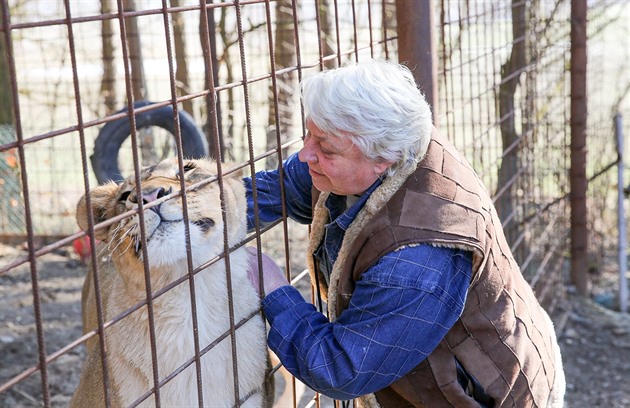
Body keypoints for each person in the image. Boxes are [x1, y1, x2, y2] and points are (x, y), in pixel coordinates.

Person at [244, 59, 565, 407]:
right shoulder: (383, 145)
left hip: (492, 393)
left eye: (325, 147)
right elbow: (281, 187)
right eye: (308, 134)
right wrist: (191, 207)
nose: (306, 153)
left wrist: (274, 289)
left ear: (383, 157)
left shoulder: (418, 258)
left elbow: (341, 370)